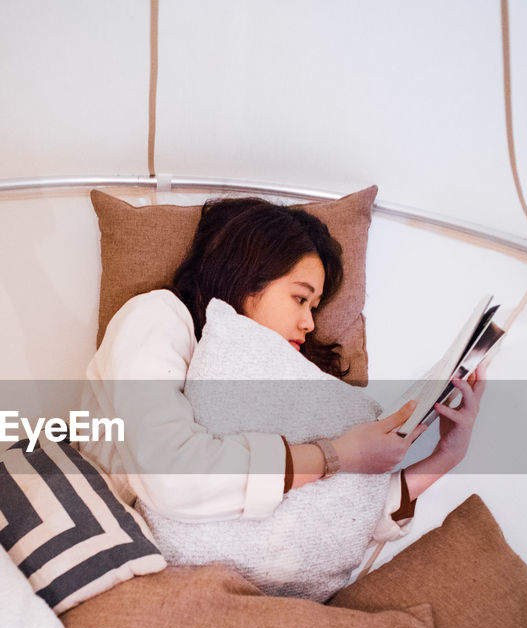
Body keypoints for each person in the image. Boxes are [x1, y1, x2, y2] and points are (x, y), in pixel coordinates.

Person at [77, 196, 485, 544]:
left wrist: (445, 456)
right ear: (245, 277)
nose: (309, 324)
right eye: (300, 299)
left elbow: (335, 512)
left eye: (315, 307)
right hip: (122, 557)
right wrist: (337, 455)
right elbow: (174, 478)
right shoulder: (156, 318)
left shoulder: (276, 383)